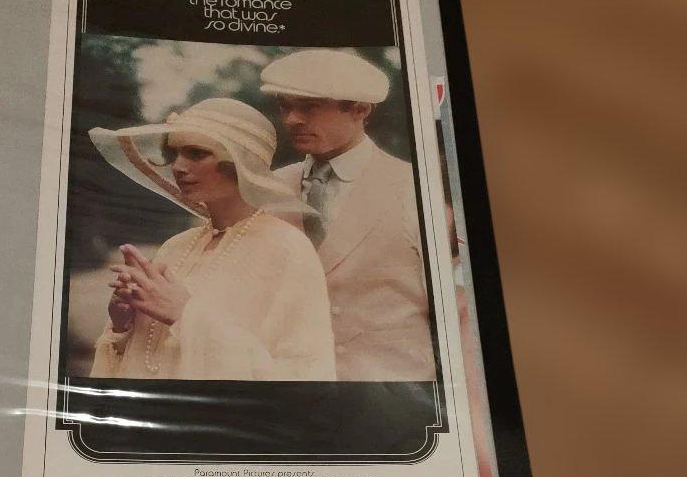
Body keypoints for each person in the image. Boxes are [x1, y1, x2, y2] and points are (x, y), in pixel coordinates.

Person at [86, 98, 335, 382]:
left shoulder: (288, 249)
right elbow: (145, 361)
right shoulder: (176, 246)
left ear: (241, 163)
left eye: (196, 153)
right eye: (174, 153)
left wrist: (184, 313)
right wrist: (122, 324)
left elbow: (303, 375)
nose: (178, 167)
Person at [261, 49, 438, 382]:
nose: (292, 120)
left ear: (360, 109)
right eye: (285, 106)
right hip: (289, 388)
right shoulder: (268, 189)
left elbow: (458, 311)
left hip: (392, 393)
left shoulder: (415, 188)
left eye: (309, 106)